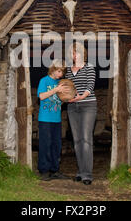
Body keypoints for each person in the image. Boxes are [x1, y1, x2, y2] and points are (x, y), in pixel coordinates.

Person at [66, 43, 97, 185]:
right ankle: (80, 171)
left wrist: (81, 97)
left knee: (86, 139)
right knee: (77, 141)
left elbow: (90, 86)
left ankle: (87, 174)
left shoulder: (89, 67)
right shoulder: (67, 70)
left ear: (82, 53)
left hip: (88, 105)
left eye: (76, 52)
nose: (74, 55)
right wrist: (66, 97)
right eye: (72, 53)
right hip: (72, 107)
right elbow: (67, 88)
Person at [37, 59, 70, 181]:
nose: (61, 74)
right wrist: (55, 90)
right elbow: (41, 96)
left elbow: (60, 100)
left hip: (56, 119)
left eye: (62, 71)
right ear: (53, 69)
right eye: (59, 71)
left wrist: (66, 96)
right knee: (45, 144)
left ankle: (54, 170)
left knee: (56, 145)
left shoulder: (60, 82)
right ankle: (44, 171)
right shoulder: (44, 81)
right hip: (45, 119)